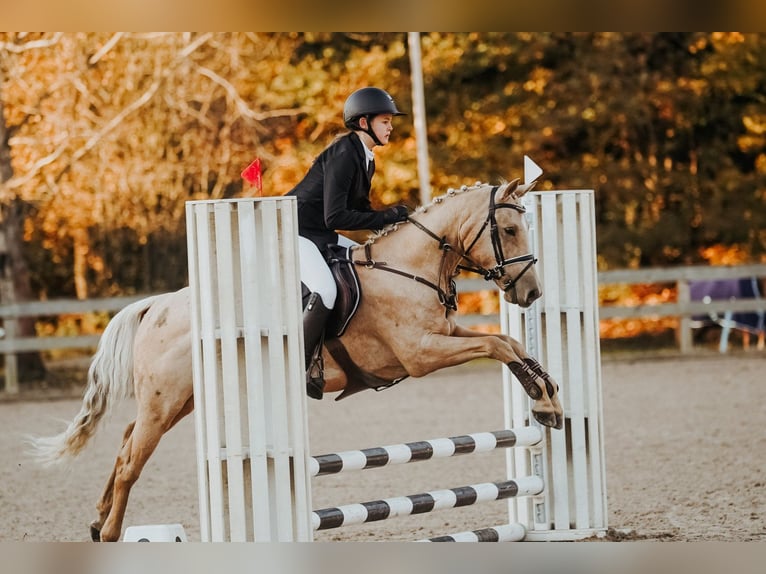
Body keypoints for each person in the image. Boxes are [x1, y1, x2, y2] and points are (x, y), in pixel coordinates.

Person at [286, 87, 410, 399]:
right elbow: (336, 216)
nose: (390, 126)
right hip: (294, 231)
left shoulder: (365, 157)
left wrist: (397, 221)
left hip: (319, 234)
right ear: (364, 122)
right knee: (325, 289)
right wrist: (386, 217)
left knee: (367, 263)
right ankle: (296, 365)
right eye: (385, 120)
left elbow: (361, 212)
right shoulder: (344, 154)